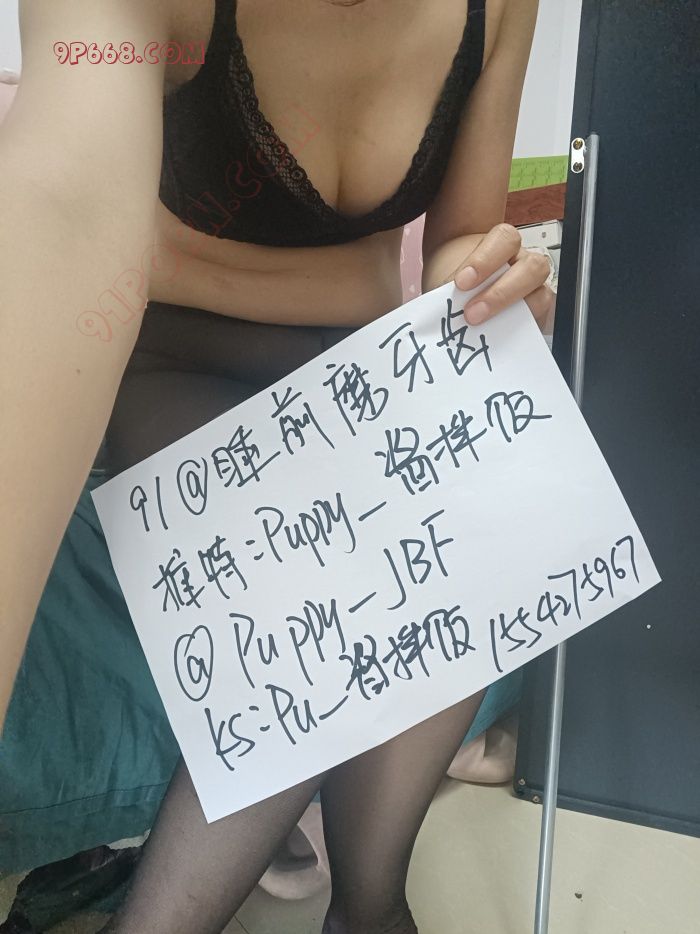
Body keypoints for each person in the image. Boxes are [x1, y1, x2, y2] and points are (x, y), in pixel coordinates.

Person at [0, 0, 553, 931]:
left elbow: (461, 235)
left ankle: (370, 904)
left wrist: (488, 279)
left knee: (472, 544)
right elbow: (63, 206)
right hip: (174, 355)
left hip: (355, 365)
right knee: (313, 604)